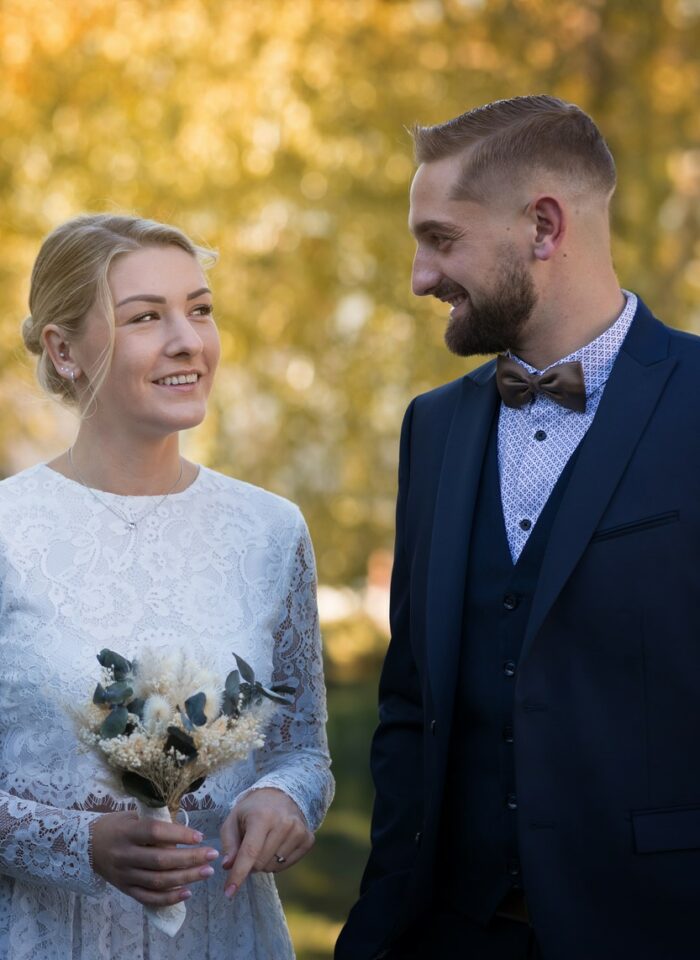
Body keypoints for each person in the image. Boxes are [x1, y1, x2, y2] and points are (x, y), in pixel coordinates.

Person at [335, 94, 700, 960]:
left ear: (543, 226)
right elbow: (410, 704)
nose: (420, 277)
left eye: (441, 239)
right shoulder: (433, 425)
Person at [0, 213, 334, 959]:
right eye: (146, 317)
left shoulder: (269, 531)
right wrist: (79, 843)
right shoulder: (6, 532)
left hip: (227, 937)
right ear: (64, 349)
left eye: (201, 309)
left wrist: (282, 800)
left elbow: (302, 751)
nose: (190, 340)